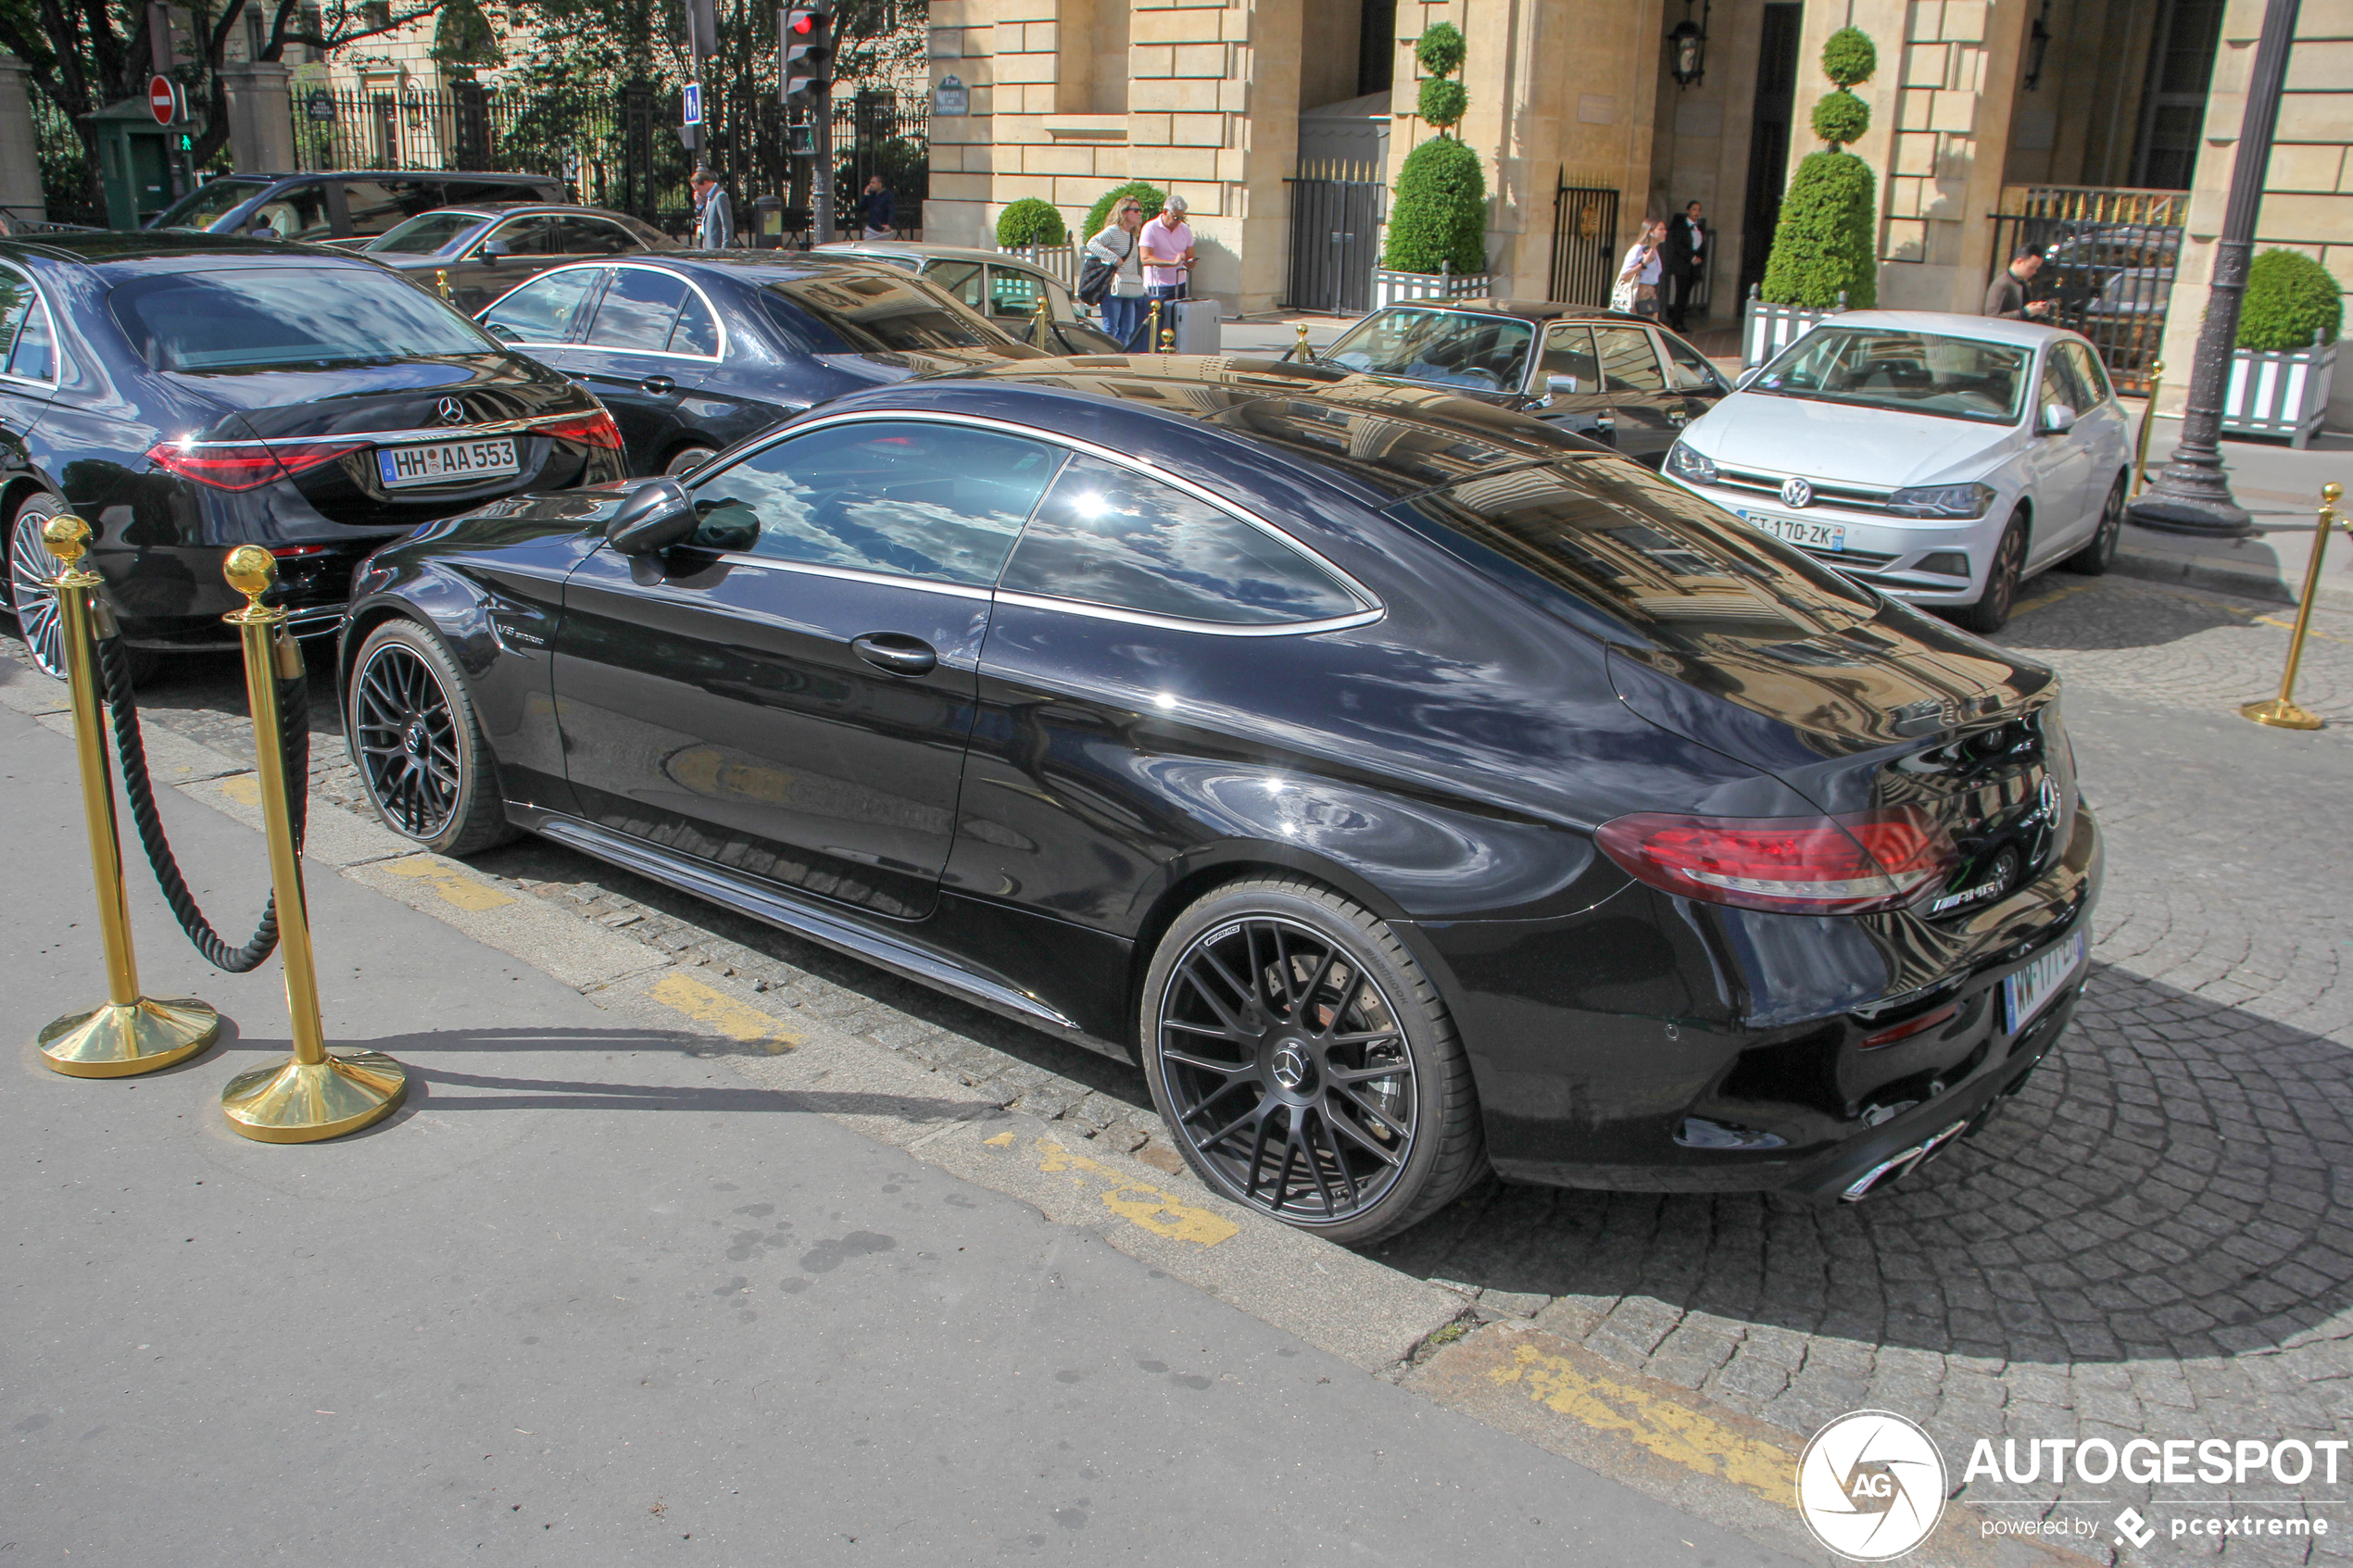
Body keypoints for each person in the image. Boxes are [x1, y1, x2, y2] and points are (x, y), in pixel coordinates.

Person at [1085, 194, 1150, 351]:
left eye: (1140, 210)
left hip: (1128, 285)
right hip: (1113, 285)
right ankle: (1108, 358)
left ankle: (1121, 357)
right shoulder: (1113, 231)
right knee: (1111, 328)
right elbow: (1092, 243)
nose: (1139, 213)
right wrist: (1113, 258)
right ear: (1124, 212)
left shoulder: (1132, 236)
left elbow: (1133, 264)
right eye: (1135, 210)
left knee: (1128, 328)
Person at [1139, 193, 1195, 342]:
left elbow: (1190, 254)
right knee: (1159, 326)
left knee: (1178, 325)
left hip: (1179, 283)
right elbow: (1145, 258)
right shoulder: (1150, 228)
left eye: (1182, 217)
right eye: (1176, 217)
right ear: (1165, 212)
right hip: (1158, 285)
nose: (1178, 221)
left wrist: (1190, 262)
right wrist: (1171, 263)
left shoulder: (1184, 229)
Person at [1662, 200, 1707, 330]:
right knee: (1680, 294)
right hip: (1682, 265)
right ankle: (1676, 322)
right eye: (1694, 209)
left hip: (1694, 266)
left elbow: (1702, 246)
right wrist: (1691, 257)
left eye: (1699, 210)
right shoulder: (1681, 226)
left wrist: (1700, 258)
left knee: (1686, 294)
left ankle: (1681, 321)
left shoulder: (1699, 227)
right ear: (1688, 210)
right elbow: (1678, 246)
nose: (1696, 212)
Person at [1984, 245, 2054, 320]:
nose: (2034, 272)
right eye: (2032, 267)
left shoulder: (2023, 283)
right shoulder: (2001, 284)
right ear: (2019, 261)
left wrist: (2037, 311)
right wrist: (2026, 312)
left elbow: (2025, 316)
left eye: (2036, 268)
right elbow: (1992, 317)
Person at [1613, 220, 1665, 318]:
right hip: (1637, 294)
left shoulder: (1655, 251)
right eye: (1661, 229)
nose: (1665, 232)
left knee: (1650, 327)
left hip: (1651, 295)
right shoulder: (1638, 249)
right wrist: (1643, 264)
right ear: (1650, 231)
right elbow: (1625, 275)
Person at [690, 167, 733, 251]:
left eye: (698, 189)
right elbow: (705, 219)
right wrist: (699, 204)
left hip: (716, 249)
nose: (697, 192)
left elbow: (727, 226)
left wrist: (724, 251)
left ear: (705, 183)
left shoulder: (720, 197)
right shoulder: (709, 197)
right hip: (708, 247)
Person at [856, 176, 895, 241]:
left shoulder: (888, 195)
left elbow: (891, 210)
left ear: (880, 184)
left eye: (873, 183)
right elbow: (861, 208)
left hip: (883, 230)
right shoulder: (871, 196)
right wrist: (866, 195)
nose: (871, 185)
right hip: (872, 229)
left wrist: (889, 224)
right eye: (870, 183)